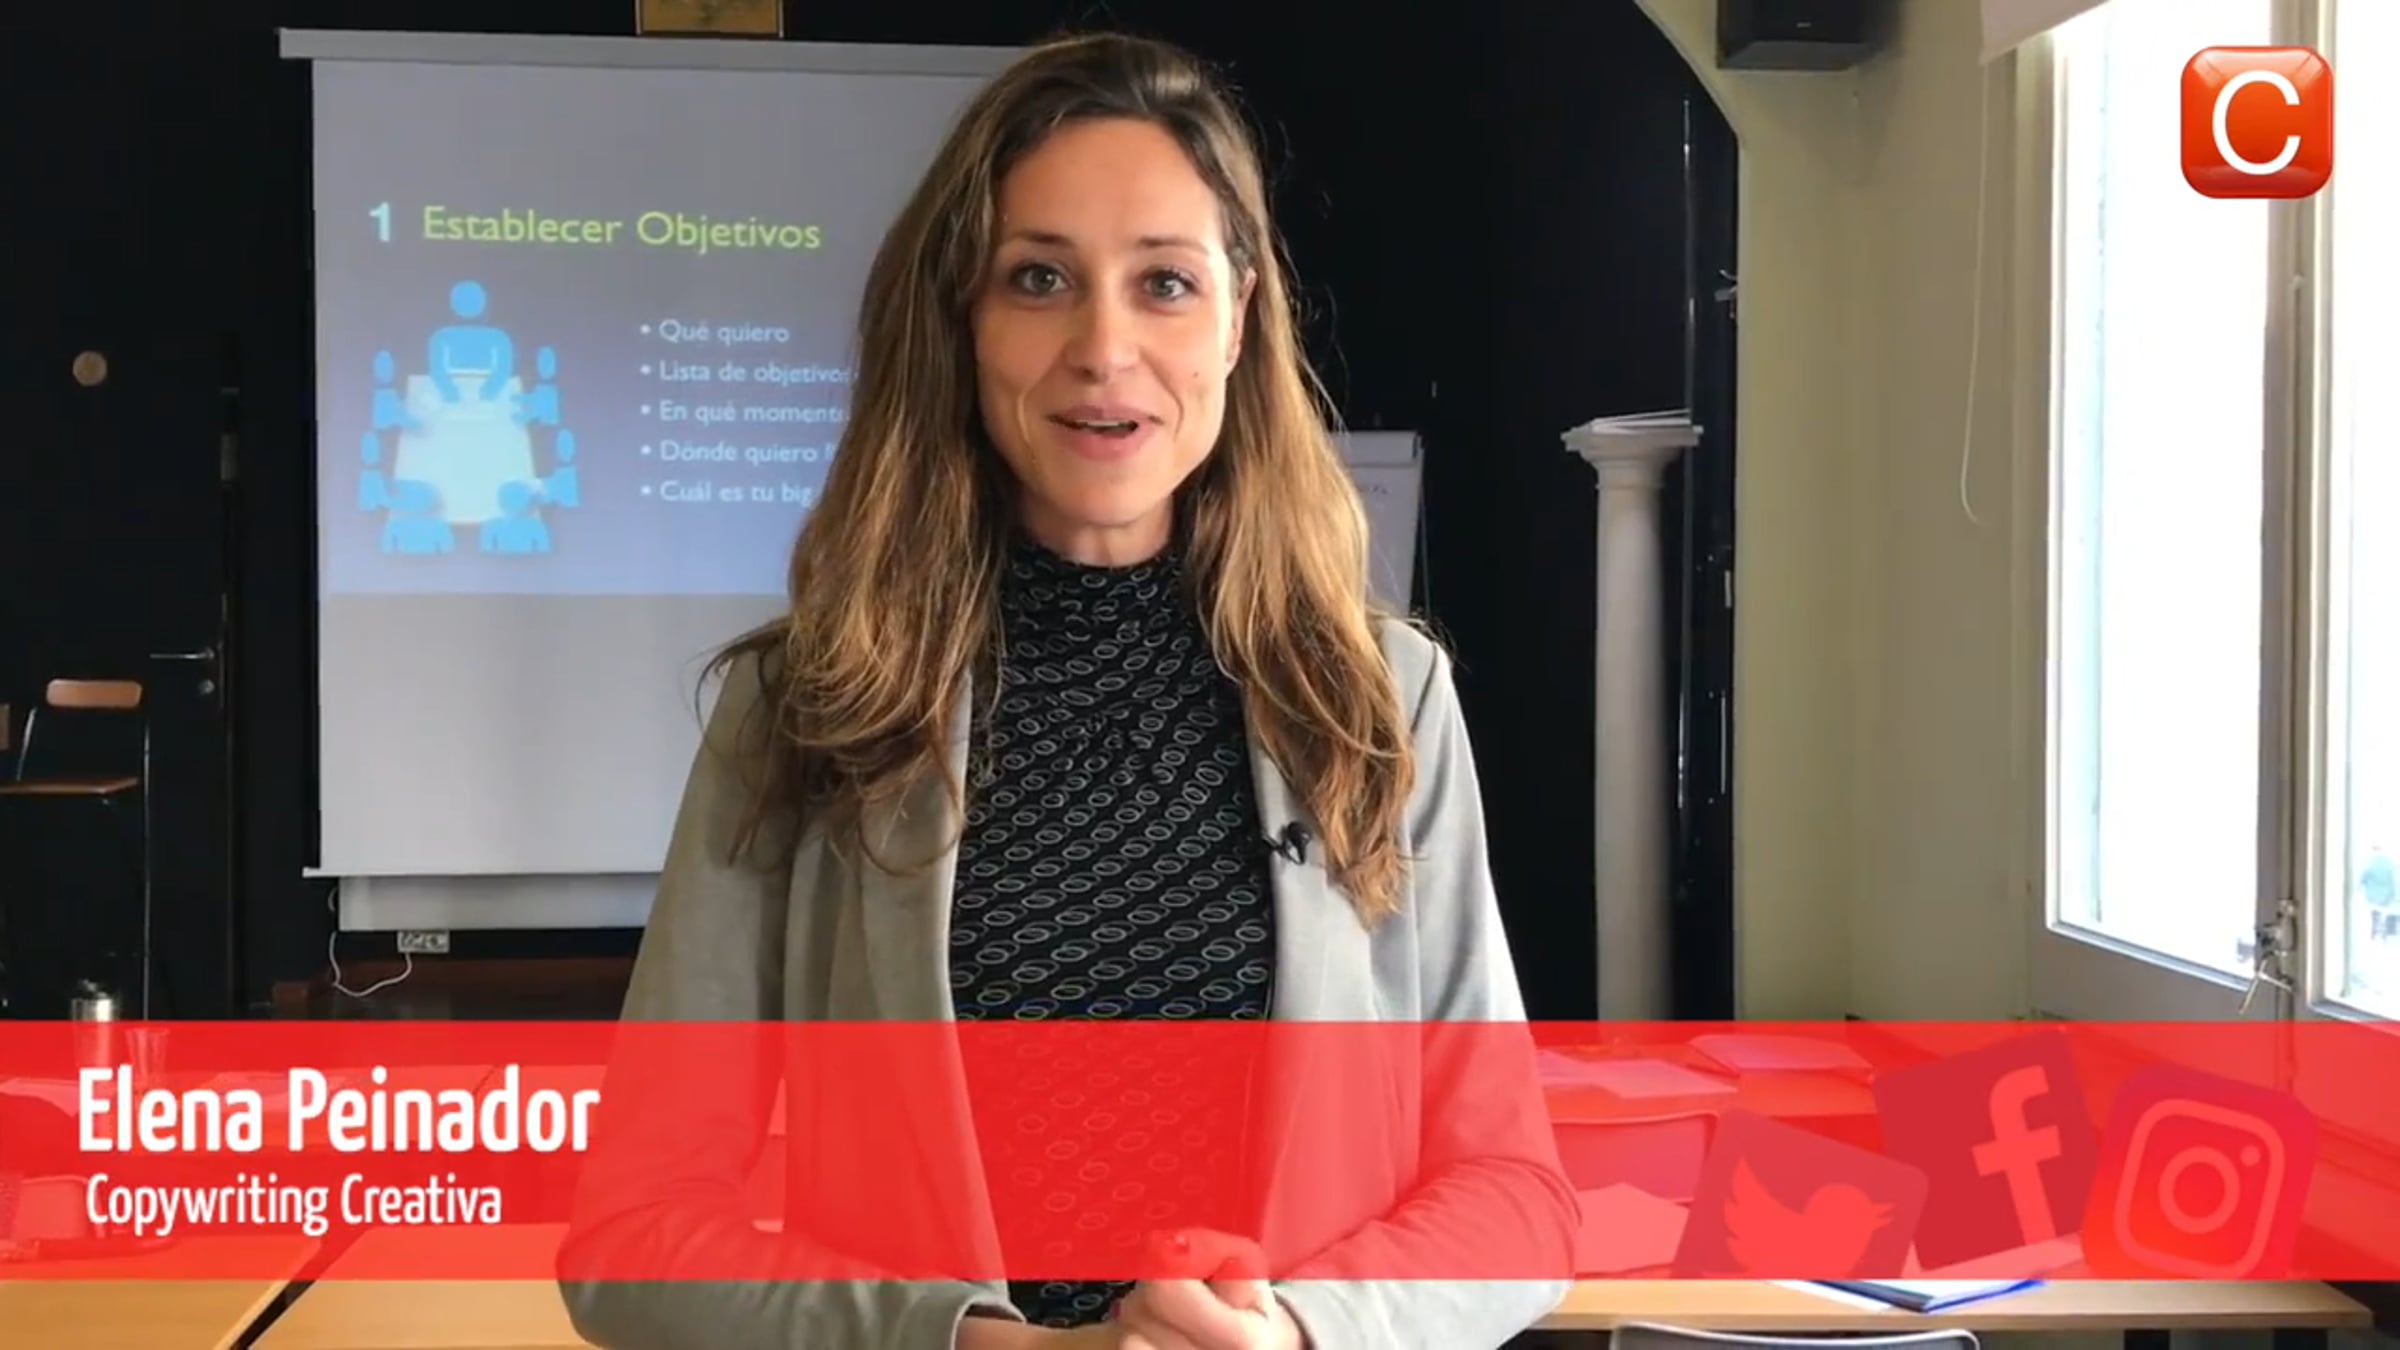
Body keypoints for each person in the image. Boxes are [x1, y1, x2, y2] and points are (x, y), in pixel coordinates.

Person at [558, 29, 1576, 1350]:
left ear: (1238, 316)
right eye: (1039, 278)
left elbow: (1514, 1200)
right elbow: (633, 1237)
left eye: (1164, 283)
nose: (1104, 347)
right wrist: (974, 1341)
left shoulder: (1380, 697)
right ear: (961, 319)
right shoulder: (806, 703)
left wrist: (1297, 1332)